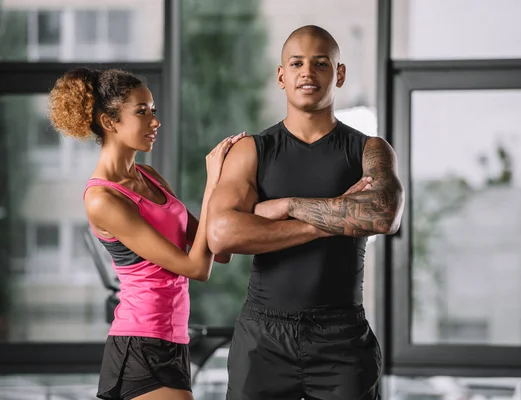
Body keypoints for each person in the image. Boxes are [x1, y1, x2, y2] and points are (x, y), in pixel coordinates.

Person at [206, 25, 405, 400]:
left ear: (339, 74)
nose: (307, 72)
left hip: (342, 337)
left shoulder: (369, 149)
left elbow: (383, 214)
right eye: (296, 63)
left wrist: (287, 207)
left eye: (321, 63)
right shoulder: (252, 149)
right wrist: (333, 220)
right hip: (263, 338)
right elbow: (221, 236)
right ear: (281, 75)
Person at [48, 68, 245, 400]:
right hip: (140, 344)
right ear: (109, 122)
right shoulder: (102, 199)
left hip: (173, 340)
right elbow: (197, 268)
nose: (155, 121)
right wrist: (212, 183)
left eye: (153, 110)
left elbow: (218, 248)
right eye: (142, 112)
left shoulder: (149, 176)